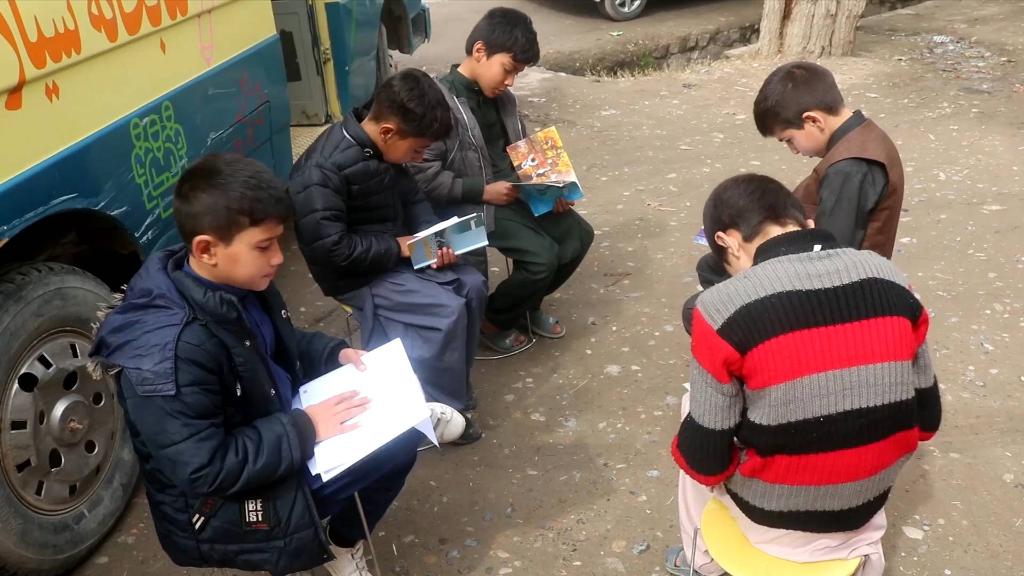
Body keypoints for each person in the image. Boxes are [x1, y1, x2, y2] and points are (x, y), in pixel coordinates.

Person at [90, 154, 420, 576]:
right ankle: (334, 542)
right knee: (398, 446)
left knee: (401, 429)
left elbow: (272, 343)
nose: (279, 257)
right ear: (206, 249)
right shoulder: (168, 353)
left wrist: (333, 354)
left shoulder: (232, 279)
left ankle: (339, 537)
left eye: (278, 241)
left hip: (272, 424)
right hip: (218, 507)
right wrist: (306, 428)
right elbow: (204, 469)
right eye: (264, 246)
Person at [666, 174, 940, 576]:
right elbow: (928, 421)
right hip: (868, 502)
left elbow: (705, 462)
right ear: (806, 224)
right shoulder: (893, 279)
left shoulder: (720, 307)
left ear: (728, 242)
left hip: (772, 521)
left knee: (696, 413)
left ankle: (703, 561)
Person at [289, 68, 487, 444]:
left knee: (473, 284)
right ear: (387, 132)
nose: (419, 157)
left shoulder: (384, 148)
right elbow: (332, 251)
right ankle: (435, 412)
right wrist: (398, 246)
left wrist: (432, 239)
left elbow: (412, 199)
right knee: (444, 311)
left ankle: (452, 386)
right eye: (417, 150)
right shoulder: (319, 172)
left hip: (395, 254)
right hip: (355, 274)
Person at [408, 7, 594, 354]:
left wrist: (553, 187)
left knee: (578, 236)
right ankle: (493, 318)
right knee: (542, 258)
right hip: (471, 206)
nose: (511, 81)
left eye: (517, 73)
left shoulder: (504, 99)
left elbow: (524, 149)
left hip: (515, 194)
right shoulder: (438, 103)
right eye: (508, 69)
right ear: (480, 51)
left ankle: (525, 305)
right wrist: (483, 190)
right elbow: (423, 177)